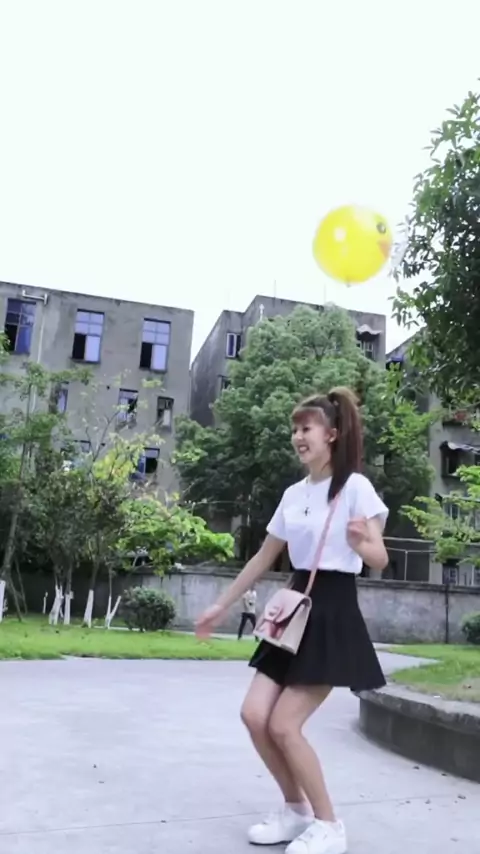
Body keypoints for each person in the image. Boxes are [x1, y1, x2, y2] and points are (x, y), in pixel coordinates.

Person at [196, 387, 389, 854]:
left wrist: (361, 542)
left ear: (332, 434)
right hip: (295, 606)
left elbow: (379, 558)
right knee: (254, 715)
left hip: (333, 608)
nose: (298, 437)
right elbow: (264, 556)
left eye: (307, 429)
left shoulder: (355, 487)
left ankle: (329, 825)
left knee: (284, 724)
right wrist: (221, 605)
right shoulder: (293, 494)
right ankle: (295, 809)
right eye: (295, 430)